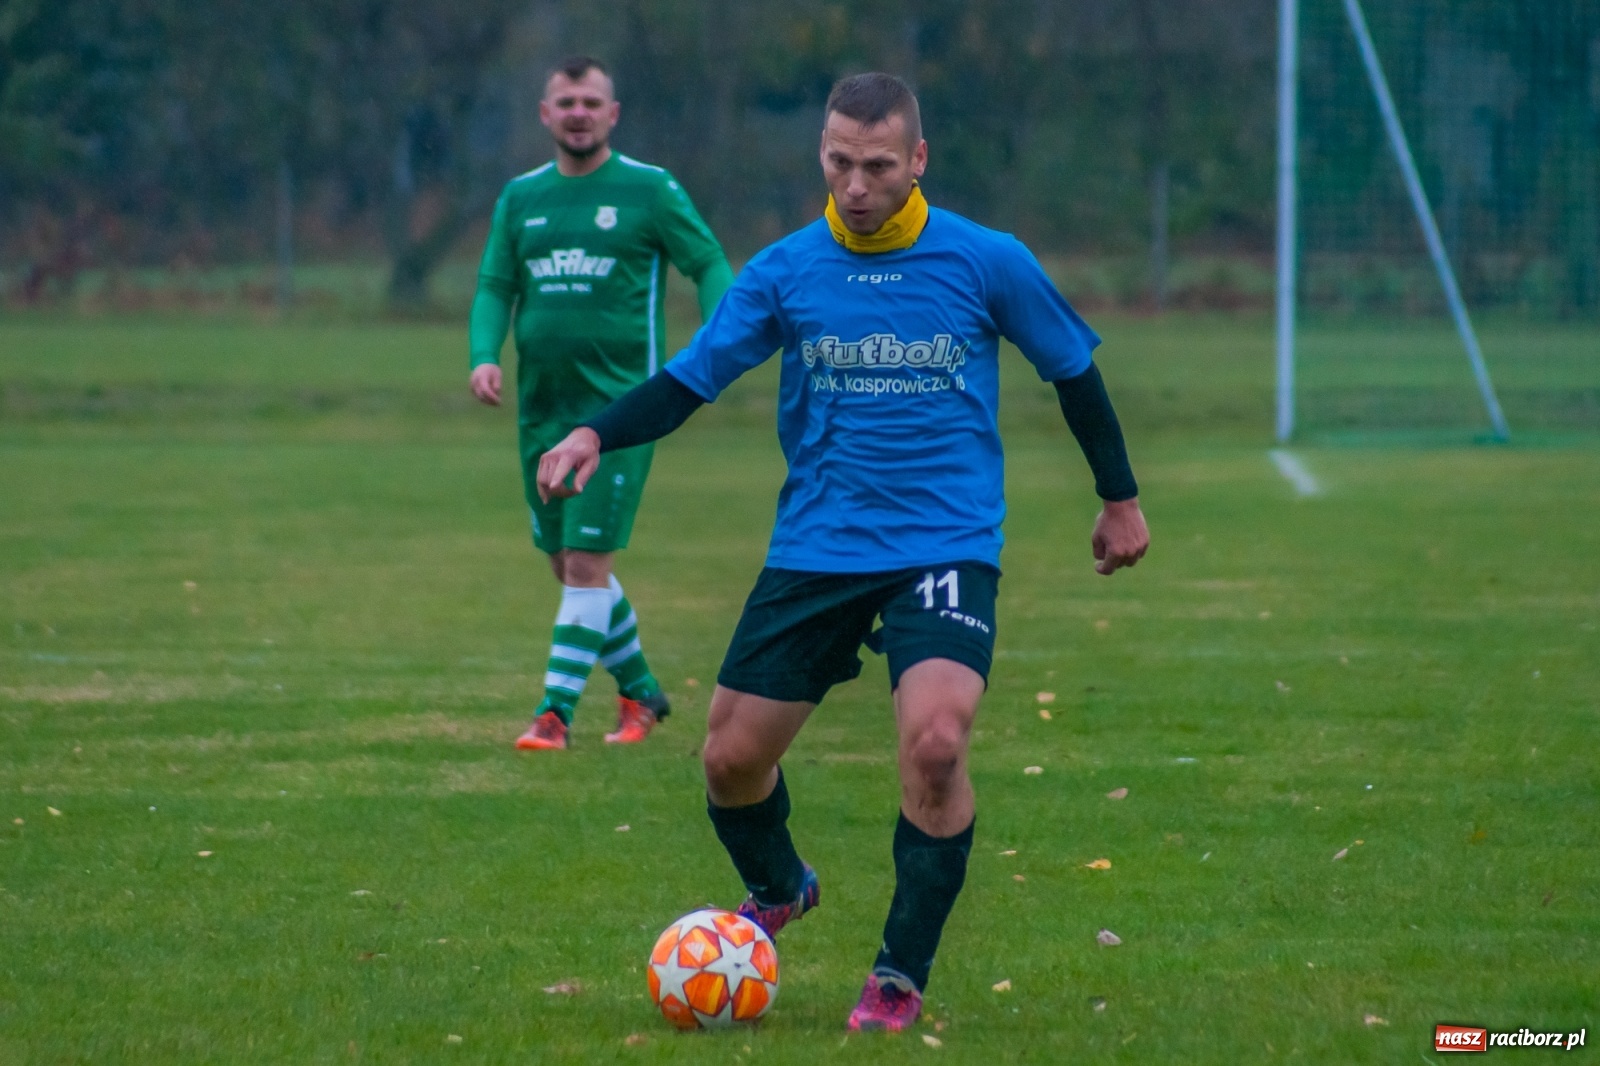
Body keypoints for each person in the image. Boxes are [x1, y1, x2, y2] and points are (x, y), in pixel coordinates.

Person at [537, 72, 1149, 1029]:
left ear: (916, 161)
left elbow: (1073, 371)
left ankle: (898, 975)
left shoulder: (986, 261)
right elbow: (692, 378)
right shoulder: (785, 270)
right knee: (729, 762)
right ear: (820, 155)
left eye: (875, 166)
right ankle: (780, 887)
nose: (855, 184)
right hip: (818, 547)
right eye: (837, 163)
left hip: (944, 545)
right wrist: (593, 435)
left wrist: (1119, 498)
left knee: (937, 746)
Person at [469, 56, 735, 751]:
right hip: (541, 411)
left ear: (612, 114)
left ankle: (553, 714)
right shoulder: (521, 198)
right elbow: (496, 285)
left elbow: (707, 263)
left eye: (592, 101)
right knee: (567, 564)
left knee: (587, 565)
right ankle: (642, 694)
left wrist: (719, 341)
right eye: (567, 101)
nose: (579, 112)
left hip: (620, 414)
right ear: (546, 114)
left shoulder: (649, 190)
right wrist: (483, 354)